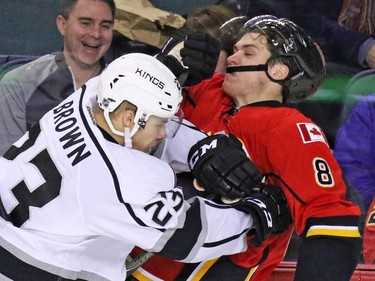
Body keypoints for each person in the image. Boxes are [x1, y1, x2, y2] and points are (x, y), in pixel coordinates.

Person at [0, 52, 292, 281]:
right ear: (129, 118)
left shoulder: (88, 96)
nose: (165, 131)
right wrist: (254, 219)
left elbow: (137, 120)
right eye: (161, 123)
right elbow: (187, 236)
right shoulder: (121, 179)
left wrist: (199, 147)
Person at [131, 16, 362, 281]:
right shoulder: (208, 92)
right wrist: (164, 68)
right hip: (125, 261)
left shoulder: (289, 128)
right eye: (234, 50)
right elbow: (122, 123)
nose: (231, 58)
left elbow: (332, 221)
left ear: (278, 70)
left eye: (247, 52)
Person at [0, 0, 115, 156]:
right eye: (86, 23)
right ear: (62, 25)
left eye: (105, 26)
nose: (96, 34)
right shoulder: (18, 84)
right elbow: (7, 163)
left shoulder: (126, 89)